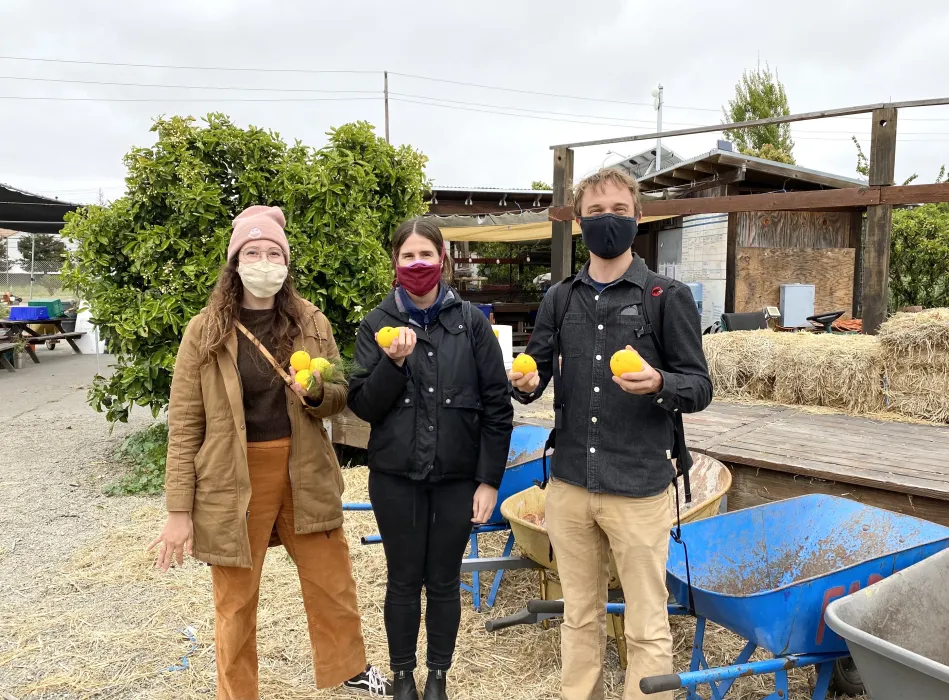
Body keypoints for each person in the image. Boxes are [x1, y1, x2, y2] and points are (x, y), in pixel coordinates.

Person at [150, 205, 392, 699]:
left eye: (274, 252)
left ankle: (350, 669)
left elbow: (340, 392)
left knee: (333, 582)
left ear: (286, 262)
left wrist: (320, 395)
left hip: (304, 467)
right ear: (235, 262)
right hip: (232, 476)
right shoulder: (205, 331)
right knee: (235, 599)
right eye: (253, 251)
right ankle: (237, 692)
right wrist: (179, 511)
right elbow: (185, 425)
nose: (264, 261)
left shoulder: (310, 321)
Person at [510, 168, 712, 700]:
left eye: (619, 210)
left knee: (647, 622)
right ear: (579, 222)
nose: (608, 220)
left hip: (639, 485)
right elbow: (537, 369)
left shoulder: (667, 296)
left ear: (637, 217)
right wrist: (526, 381)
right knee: (579, 618)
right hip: (572, 483)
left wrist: (660, 382)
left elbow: (699, 386)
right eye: (596, 211)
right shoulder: (560, 298)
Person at [348, 218, 514, 700]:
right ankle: (403, 675)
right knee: (403, 579)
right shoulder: (376, 324)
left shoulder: (471, 324)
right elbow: (364, 405)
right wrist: (392, 363)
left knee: (443, 579)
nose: (417, 265)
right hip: (395, 476)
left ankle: (437, 675)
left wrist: (488, 481)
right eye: (407, 256)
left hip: (456, 478)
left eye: (426, 255)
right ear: (395, 263)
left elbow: (497, 407)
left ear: (443, 259)